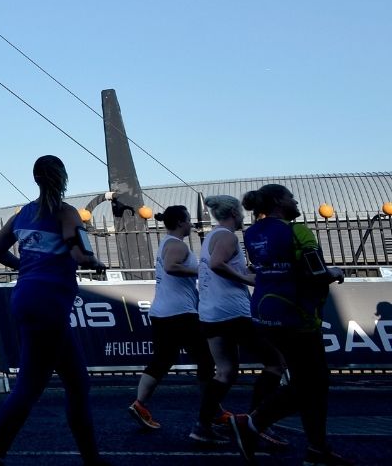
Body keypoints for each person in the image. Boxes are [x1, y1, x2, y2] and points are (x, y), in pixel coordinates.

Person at [0, 155, 108, 466]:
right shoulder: (66, 212)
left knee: (77, 382)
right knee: (30, 387)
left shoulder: (23, 214)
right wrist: (95, 262)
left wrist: (26, 268)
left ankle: (92, 459)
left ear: (36, 178)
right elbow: (80, 253)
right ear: (63, 178)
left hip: (26, 296)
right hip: (50, 301)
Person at [228, 184, 353, 465]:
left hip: (265, 311)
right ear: (277, 201)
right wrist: (335, 272)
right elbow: (316, 272)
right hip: (296, 314)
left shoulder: (252, 234)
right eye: (291, 198)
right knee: (313, 383)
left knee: (309, 382)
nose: (295, 202)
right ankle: (252, 423)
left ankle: (316, 448)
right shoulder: (298, 231)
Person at [195, 194, 285, 447]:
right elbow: (217, 263)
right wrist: (247, 279)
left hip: (211, 312)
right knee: (275, 363)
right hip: (233, 312)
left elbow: (221, 266)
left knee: (225, 372)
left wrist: (248, 272)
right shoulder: (228, 236)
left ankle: (202, 426)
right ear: (235, 212)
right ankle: (257, 423)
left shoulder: (212, 236)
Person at [127, 205, 214, 433]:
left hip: (163, 312)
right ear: (180, 222)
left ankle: (139, 404)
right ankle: (212, 409)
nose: (191, 224)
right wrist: (202, 272)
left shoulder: (167, 242)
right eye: (188, 220)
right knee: (206, 359)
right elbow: (171, 267)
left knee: (163, 360)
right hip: (180, 313)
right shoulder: (177, 245)